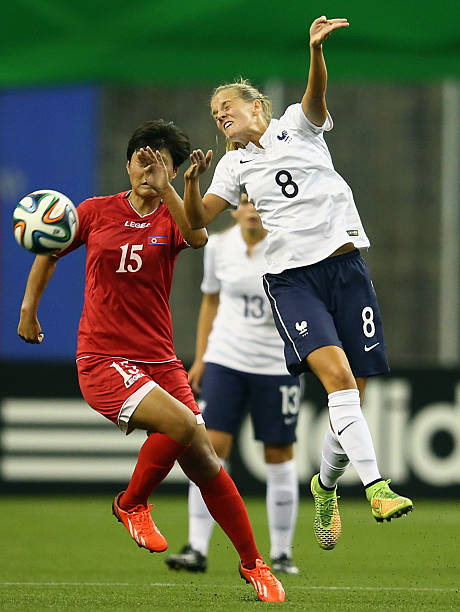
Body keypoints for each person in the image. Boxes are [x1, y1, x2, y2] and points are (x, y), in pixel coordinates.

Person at [17, 120, 285, 603]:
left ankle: (254, 564)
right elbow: (50, 249)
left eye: (159, 159)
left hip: (160, 362)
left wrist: (175, 189)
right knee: (184, 424)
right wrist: (28, 310)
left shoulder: (172, 217)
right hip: (103, 357)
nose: (147, 165)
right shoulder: (96, 212)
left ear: (170, 168)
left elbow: (199, 238)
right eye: (141, 156)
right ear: (126, 162)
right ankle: (132, 503)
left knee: (206, 461)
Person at [182, 16, 414, 552]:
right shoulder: (233, 168)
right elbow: (195, 224)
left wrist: (314, 51)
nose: (221, 119)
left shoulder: (294, 124)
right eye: (216, 116)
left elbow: (316, 94)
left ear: (256, 107)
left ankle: (326, 482)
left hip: (347, 267)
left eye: (228, 109)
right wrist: (188, 186)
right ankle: (376, 486)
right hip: (292, 282)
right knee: (336, 379)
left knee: (355, 388)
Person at [166, 194, 301, 575]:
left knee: (278, 454)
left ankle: (282, 553)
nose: (252, 209)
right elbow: (210, 301)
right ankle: (196, 547)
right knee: (209, 451)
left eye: (259, 202)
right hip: (227, 359)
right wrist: (202, 356)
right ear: (234, 209)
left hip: (278, 364)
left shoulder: (287, 247)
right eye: (244, 202)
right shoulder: (219, 246)